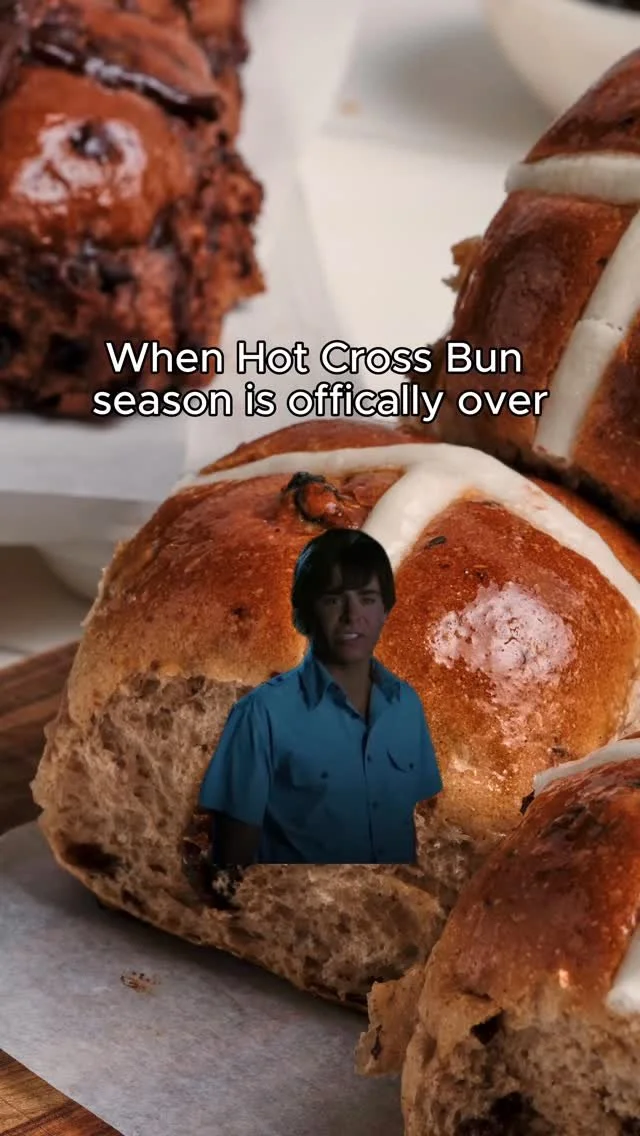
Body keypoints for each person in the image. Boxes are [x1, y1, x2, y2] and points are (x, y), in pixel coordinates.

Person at [198, 528, 442, 866]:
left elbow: (418, 823)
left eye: (368, 599)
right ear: (303, 616)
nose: (352, 615)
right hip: (294, 897)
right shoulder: (261, 714)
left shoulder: (406, 705)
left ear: (386, 610)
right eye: (333, 599)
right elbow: (231, 862)